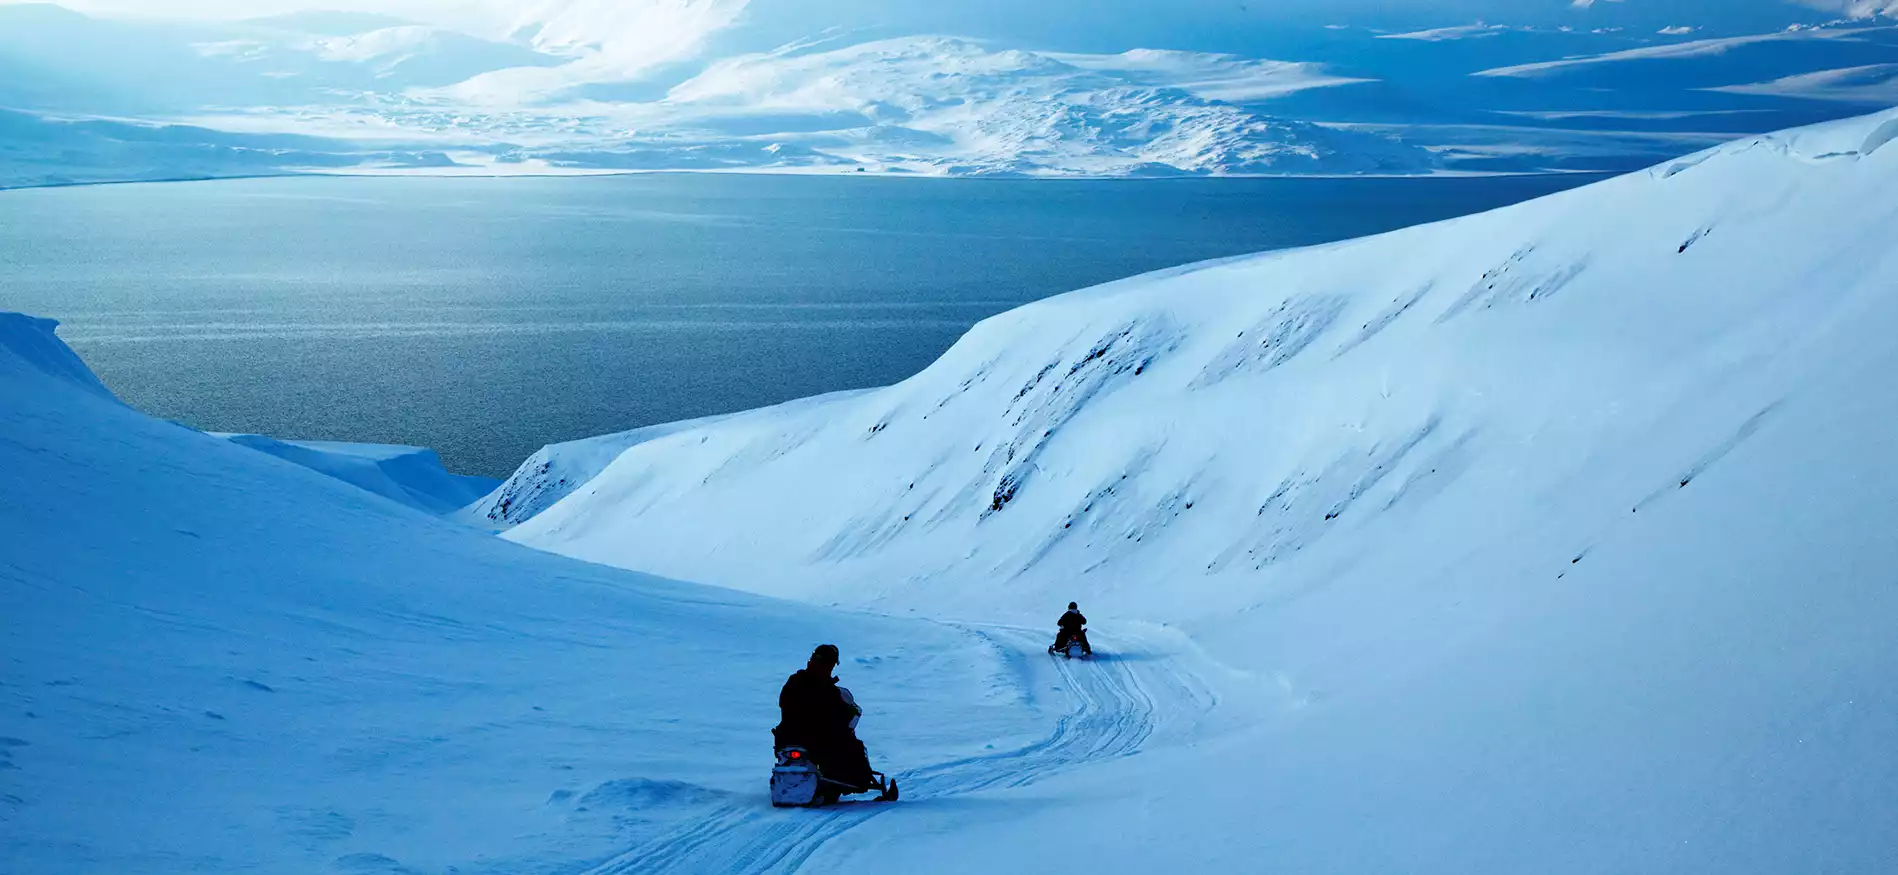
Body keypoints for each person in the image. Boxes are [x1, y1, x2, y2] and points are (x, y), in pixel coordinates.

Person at [773, 644, 879, 791]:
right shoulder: (826, 689)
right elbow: (837, 715)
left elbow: (783, 703)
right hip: (816, 740)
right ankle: (860, 781)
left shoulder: (795, 681)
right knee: (854, 747)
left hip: (788, 738)